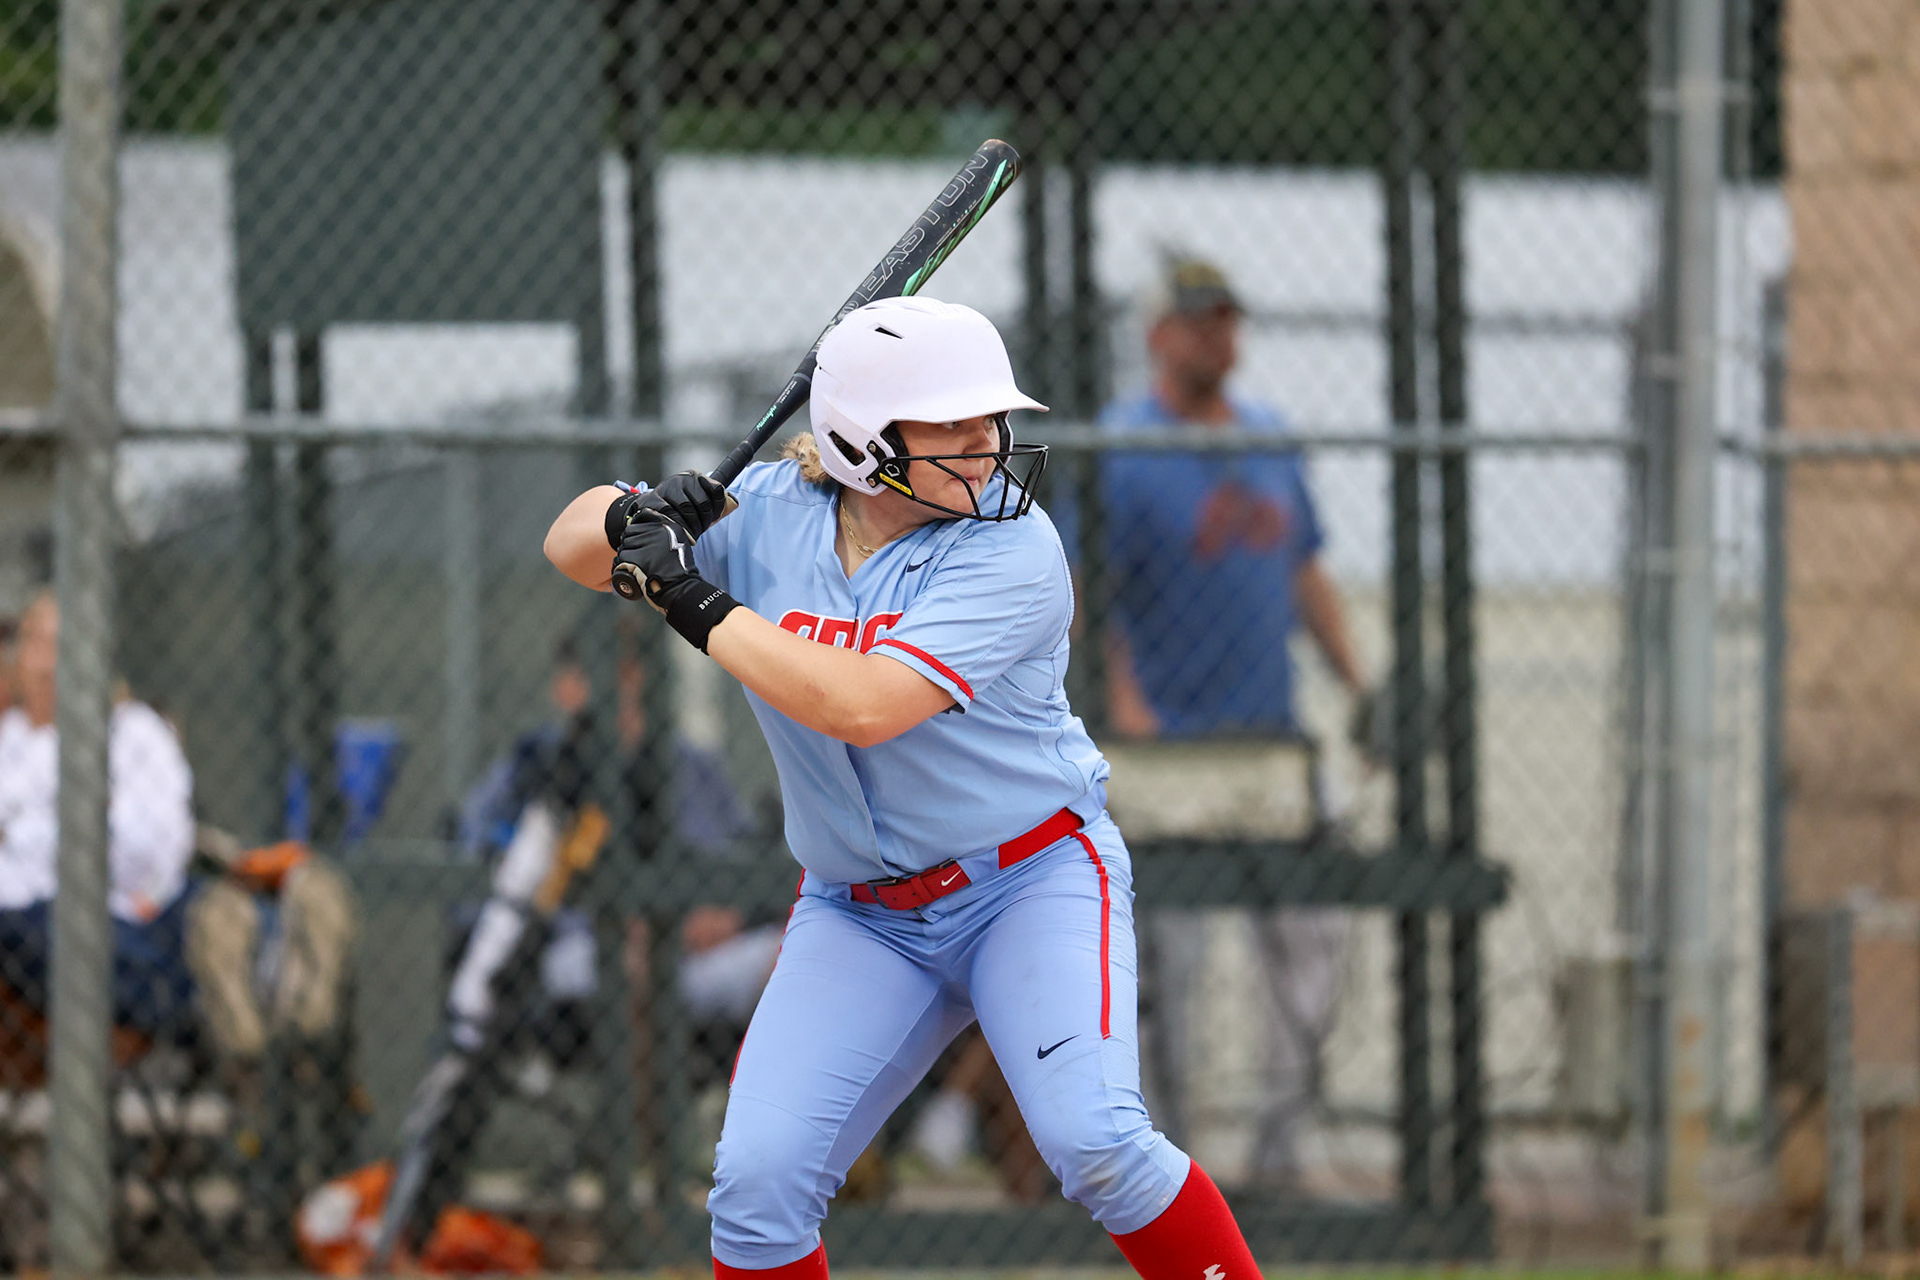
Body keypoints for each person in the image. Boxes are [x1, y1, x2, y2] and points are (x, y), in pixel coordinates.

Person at [545, 295, 1264, 1279]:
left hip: (1028, 881)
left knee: (1095, 1140)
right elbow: (571, 544)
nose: (987, 444)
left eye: (990, 418)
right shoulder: (765, 512)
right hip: (860, 912)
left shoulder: (1014, 548)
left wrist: (687, 594)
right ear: (862, 438)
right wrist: (635, 519)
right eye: (951, 423)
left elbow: (861, 703)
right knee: (756, 1188)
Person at [1072, 254, 1367, 1189]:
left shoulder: (1268, 437)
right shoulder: (1123, 444)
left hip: (1272, 744)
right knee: (1173, 968)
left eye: (1228, 319)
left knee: (1312, 946)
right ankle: (1169, 1176)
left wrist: (1358, 683)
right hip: (1167, 751)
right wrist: (1121, 700)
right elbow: (1084, 592)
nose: (1219, 337)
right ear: (1159, 335)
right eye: (1201, 320)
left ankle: (1279, 1160)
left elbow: (1305, 570)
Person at [0, 589, 198, 1039]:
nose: (47, 663)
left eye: (61, 646)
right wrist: (78, 823)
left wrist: (21, 834)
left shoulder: (134, 733)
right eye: (35, 643)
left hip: (122, 922)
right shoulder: (7, 740)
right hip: (19, 935)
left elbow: (150, 852)